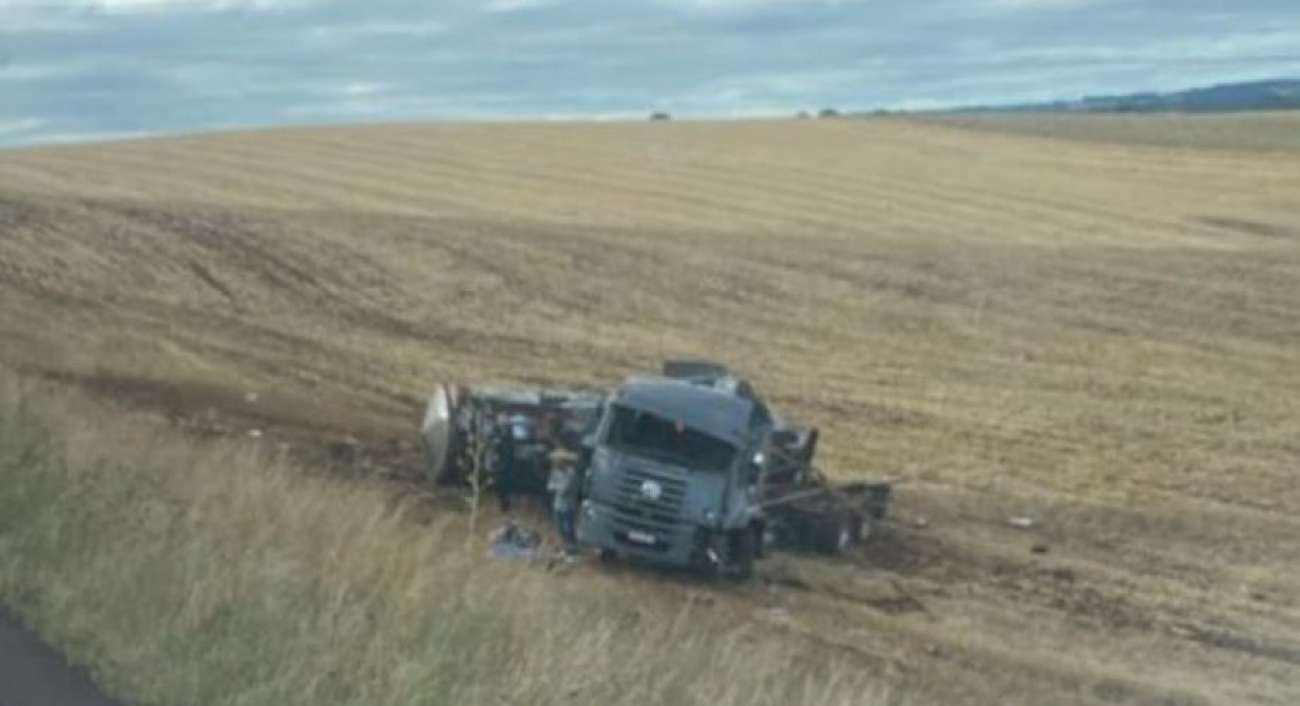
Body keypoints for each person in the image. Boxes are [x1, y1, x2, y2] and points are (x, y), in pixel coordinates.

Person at [547, 448, 581, 555]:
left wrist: (556, 486)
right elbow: (550, 486)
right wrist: (557, 486)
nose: (555, 463)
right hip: (557, 504)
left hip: (568, 505)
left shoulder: (571, 473)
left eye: (557, 461)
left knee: (568, 528)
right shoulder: (555, 472)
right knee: (559, 527)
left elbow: (564, 489)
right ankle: (566, 547)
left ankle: (572, 548)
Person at [489, 412, 516, 513]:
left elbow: (510, 447)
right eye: (500, 419)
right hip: (498, 461)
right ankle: (502, 502)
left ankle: (505, 503)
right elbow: (492, 444)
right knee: (498, 483)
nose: (502, 421)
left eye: (504, 419)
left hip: (507, 462)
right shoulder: (495, 431)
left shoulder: (509, 432)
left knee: (505, 483)